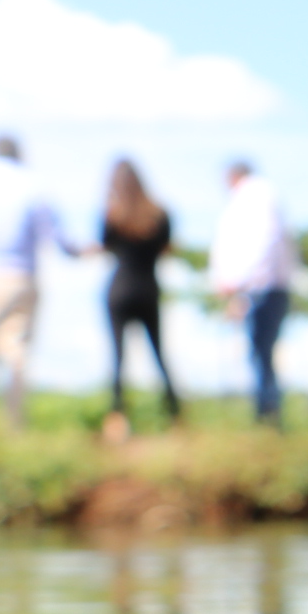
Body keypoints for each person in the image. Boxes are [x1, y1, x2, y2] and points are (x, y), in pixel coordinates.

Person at [0, 137, 75, 430]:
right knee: (17, 351)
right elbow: (56, 236)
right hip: (19, 276)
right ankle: (13, 425)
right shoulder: (33, 185)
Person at [208, 160, 296, 424]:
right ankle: (266, 416)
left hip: (261, 287)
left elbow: (264, 241)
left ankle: (268, 417)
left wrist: (239, 281)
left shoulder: (256, 197)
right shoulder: (256, 198)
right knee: (260, 353)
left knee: (262, 353)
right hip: (259, 287)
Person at [98, 160, 182, 434]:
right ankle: (175, 415)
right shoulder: (160, 215)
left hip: (119, 288)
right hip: (148, 287)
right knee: (160, 353)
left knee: (118, 356)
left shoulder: (112, 214)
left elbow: (105, 247)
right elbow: (167, 249)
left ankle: (117, 417)